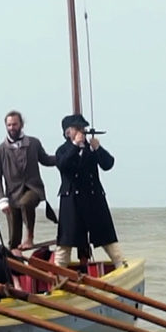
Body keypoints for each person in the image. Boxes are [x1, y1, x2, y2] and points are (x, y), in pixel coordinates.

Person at [54, 114, 125, 269]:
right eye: (77, 128)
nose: (82, 131)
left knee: (106, 236)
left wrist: (98, 148)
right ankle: (57, 273)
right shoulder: (63, 150)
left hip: (94, 199)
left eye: (82, 128)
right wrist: (74, 145)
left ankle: (120, 264)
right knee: (66, 241)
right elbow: (63, 165)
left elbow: (108, 164)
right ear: (68, 132)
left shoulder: (91, 148)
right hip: (72, 201)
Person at [0, 111, 57, 251]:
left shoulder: (33, 143)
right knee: (14, 238)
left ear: (21, 124)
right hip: (12, 194)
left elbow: (45, 160)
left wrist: (64, 156)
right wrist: (1, 199)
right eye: (9, 125)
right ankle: (14, 267)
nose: (12, 127)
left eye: (14, 124)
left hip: (33, 189)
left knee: (26, 203)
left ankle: (30, 237)